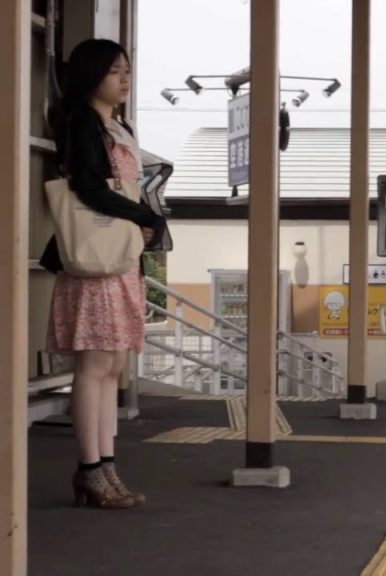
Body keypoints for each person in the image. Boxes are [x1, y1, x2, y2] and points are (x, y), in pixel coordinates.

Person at [40, 39, 166, 509]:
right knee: (94, 367)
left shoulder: (117, 125)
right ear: (92, 75)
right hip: (95, 263)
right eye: (115, 71)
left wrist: (142, 219)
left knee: (111, 366)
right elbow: (90, 187)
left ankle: (105, 467)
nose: (125, 79)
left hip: (117, 260)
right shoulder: (82, 125)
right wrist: (144, 217)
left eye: (127, 70)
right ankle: (91, 468)